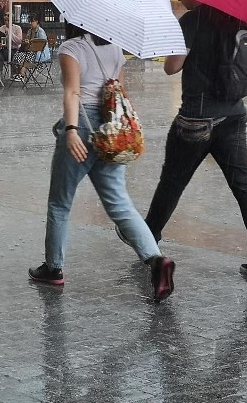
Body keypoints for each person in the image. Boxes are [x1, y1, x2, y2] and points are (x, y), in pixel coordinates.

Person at [29, 21, 175, 302]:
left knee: (60, 202)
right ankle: (156, 260)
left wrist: (71, 130)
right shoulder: (116, 49)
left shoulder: (72, 47)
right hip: (110, 128)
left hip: (83, 126)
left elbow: (73, 92)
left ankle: (53, 268)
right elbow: (119, 90)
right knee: (120, 203)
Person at [134, 0, 247, 275]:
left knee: (172, 182)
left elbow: (171, 67)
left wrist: (175, 42)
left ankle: (147, 241)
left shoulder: (192, 21)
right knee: (244, 185)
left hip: (197, 118)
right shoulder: (239, 21)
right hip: (233, 114)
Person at [13, 16, 51, 82]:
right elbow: (28, 41)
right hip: (31, 52)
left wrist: (30, 42)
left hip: (40, 54)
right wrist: (26, 42)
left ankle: (22, 75)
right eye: (30, 21)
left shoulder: (41, 32)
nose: (30, 23)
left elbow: (41, 45)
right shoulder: (30, 31)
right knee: (17, 55)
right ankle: (21, 74)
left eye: (32, 21)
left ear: (37, 22)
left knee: (23, 57)